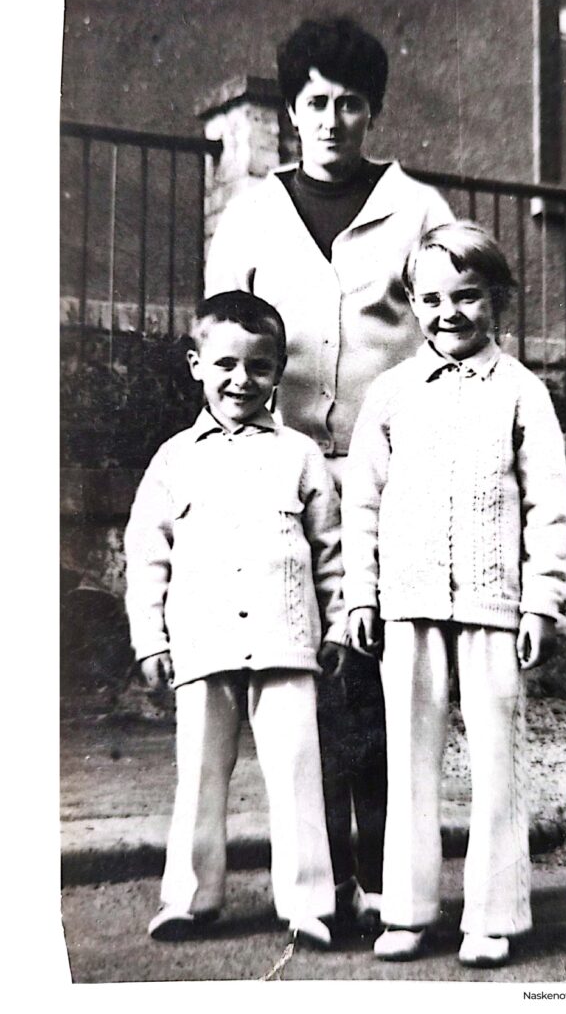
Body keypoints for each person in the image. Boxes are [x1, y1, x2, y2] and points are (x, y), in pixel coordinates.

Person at [205, 16, 454, 929]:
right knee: (306, 679)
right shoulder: (252, 214)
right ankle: (328, 881)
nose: (332, 120)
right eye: (316, 102)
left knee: (381, 679)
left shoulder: (418, 210)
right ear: (292, 110)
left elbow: (452, 336)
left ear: (373, 111)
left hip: (392, 480)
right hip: (283, 480)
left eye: (351, 103)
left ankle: (386, 876)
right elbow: (223, 339)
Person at [342, 222, 566, 966]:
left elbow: (548, 505)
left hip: (492, 606)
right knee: (410, 761)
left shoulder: (522, 392)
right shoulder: (391, 393)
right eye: (433, 299)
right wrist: (361, 594)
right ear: (413, 304)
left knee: (497, 761)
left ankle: (493, 916)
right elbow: (361, 504)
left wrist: (541, 601)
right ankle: (408, 911)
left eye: (467, 296)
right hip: (408, 605)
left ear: (497, 298)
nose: (449, 313)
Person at [124, 291, 350, 949]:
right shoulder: (174, 459)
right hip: (204, 640)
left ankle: (307, 904)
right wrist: (150, 638)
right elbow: (148, 555)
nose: (241, 380)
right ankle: (189, 899)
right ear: (196, 365)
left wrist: (338, 624)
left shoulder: (300, 456)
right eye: (225, 364)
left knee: (296, 772)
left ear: (278, 371)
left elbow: (331, 550)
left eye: (258, 366)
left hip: (286, 641)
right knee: (198, 773)